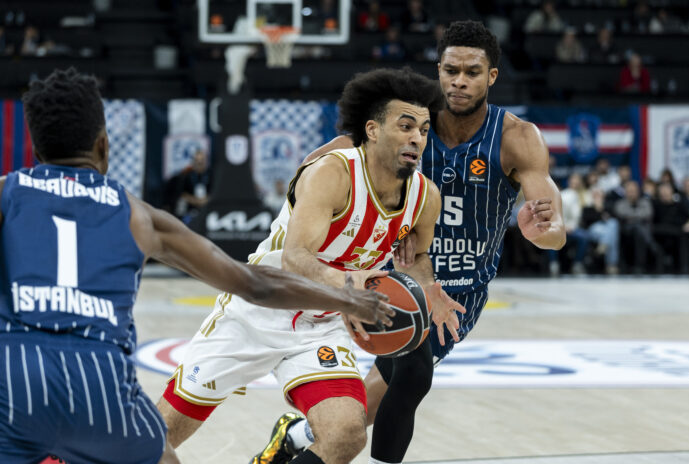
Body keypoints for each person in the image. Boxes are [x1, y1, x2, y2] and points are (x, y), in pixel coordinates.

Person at [0, 68, 394, 464]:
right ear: (103, 145)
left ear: (35, 149)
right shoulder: (138, 216)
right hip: (99, 382)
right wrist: (347, 299)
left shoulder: (7, 193)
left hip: (15, 376)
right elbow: (257, 285)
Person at [268, 20, 566, 464]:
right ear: (438, 70)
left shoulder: (518, 138)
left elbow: (556, 234)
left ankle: (297, 436)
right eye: (450, 70)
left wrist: (540, 230)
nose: (459, 81)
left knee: (379, 394)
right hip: (395, 273)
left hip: (460, 290)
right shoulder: (411, 124)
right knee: (411, 376)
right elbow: (343, 153)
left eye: (471, 72)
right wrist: (316, 179)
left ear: (491, 76)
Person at [157, 68, 463, 464]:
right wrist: (350, 284)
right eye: (405, 127)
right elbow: (296, 258)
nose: (417, 138)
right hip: (260, 310)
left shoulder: (425, 197)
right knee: (157, 438)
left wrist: (427, 288)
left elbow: (417, 256)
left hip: (323, 326)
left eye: (423, 129)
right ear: (372, 130)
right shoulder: (332, 173)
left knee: (346, 436)